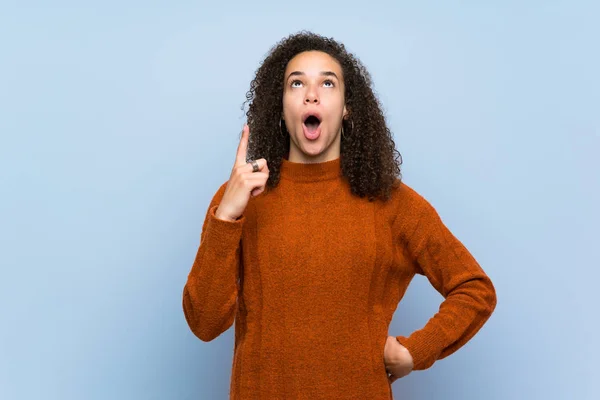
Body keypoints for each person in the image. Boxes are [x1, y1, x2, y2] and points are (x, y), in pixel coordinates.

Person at [182, 31, 497, 399]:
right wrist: (228, 216)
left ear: (347, 107)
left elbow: (474, 288)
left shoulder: (391, 202)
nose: (311, 93)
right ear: (281, 107)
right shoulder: (239, 197)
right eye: (296, 83)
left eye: (327, 83)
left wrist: (415, 350)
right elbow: (204, 322)